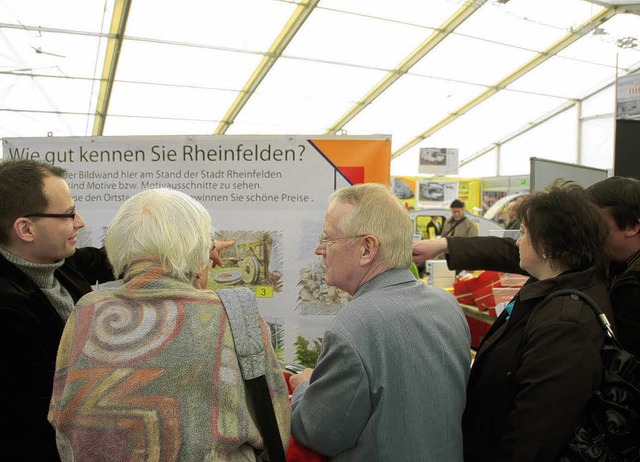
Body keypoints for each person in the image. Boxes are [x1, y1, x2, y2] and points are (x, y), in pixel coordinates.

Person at [48, 188, 291, 460]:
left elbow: (61, 416)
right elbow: (276, 428)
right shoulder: (231, 315)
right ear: (199, 252)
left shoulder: (87, 312)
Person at [415, 181, 615, 461]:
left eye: (523, 233)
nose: (517, 241)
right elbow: (505, 251)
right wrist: (443, 244)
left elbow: (535, 436)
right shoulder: (559, 278)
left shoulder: (566, 326)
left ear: (547, 245)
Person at [289, 183, 471, 460]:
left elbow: (318, 433)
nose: (318, 249)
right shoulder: (446, 305)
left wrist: (304, 387)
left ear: (367, 248)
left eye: (327, 239)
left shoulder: (353, 327)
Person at [412, 176, 640, 358]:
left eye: (595, 219)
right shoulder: (597, 266)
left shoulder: (569, 319)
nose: (586, 227)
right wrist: (445, 244)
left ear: (631, 226)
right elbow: (510, 251)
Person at [0, 159, 115, 461]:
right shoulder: (8, 309)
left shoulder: (56, 264)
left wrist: (200, 245)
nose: (80, 222)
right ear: (25, 229)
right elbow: (50, 403)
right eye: (67, 214)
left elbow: (111, 259)